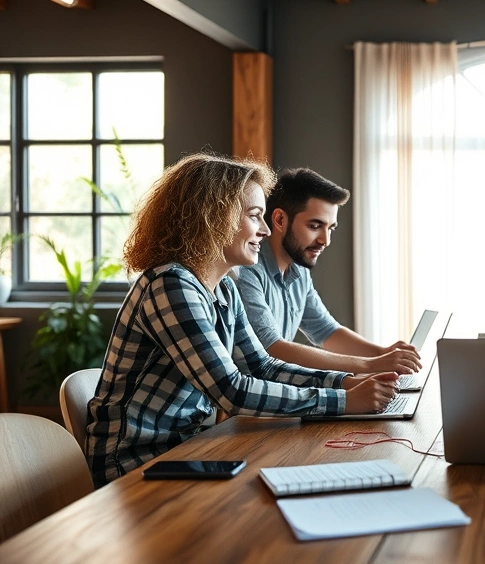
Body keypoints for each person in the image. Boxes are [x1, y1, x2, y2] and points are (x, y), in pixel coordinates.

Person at [85, 154, 397, 487]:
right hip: (135, 464)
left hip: (186, 450)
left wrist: (343, 382)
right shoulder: (171, 285)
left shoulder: (224, 291)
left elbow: (262, 367)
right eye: (254, 216)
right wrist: (344, 401)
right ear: (213, 218)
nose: (264, 231)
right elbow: (231, 390)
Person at [234, 167, 421, 378]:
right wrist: (371, 365)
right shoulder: (247, 272)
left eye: (330, 228)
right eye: (315, 226)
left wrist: (382, 353)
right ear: (279, 220)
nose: (325, 240)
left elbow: (326, 330)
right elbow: (273, 348)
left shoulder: (299, 272)